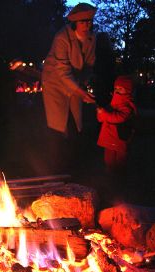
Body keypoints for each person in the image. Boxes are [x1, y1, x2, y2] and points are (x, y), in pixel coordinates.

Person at [41, 3, 97, 173]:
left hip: (75, 83)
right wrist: (80, 92)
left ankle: (73, 166)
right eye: (83, 22)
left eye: (89, 21)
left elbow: (89, 65)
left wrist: (84, 85)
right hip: (55, 83)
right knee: (58, 125)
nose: (87, 25)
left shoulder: (91, 39)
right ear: (75, 23)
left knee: (75, 123)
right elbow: (62, 70)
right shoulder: (62, 38)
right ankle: (55, 167)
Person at [97, 75, 137, 172]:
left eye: (120, 89)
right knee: (109, 160)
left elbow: (119, 118)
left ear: (128, 91)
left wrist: (105, 114)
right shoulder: (112, 104)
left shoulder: (127, 105)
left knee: (120, 162)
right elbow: (102, 119)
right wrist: (100, 113)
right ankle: (110, 178)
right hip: (109, 138)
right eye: (116, 88)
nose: (117, 91)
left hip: (120, 139)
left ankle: (119, 179)